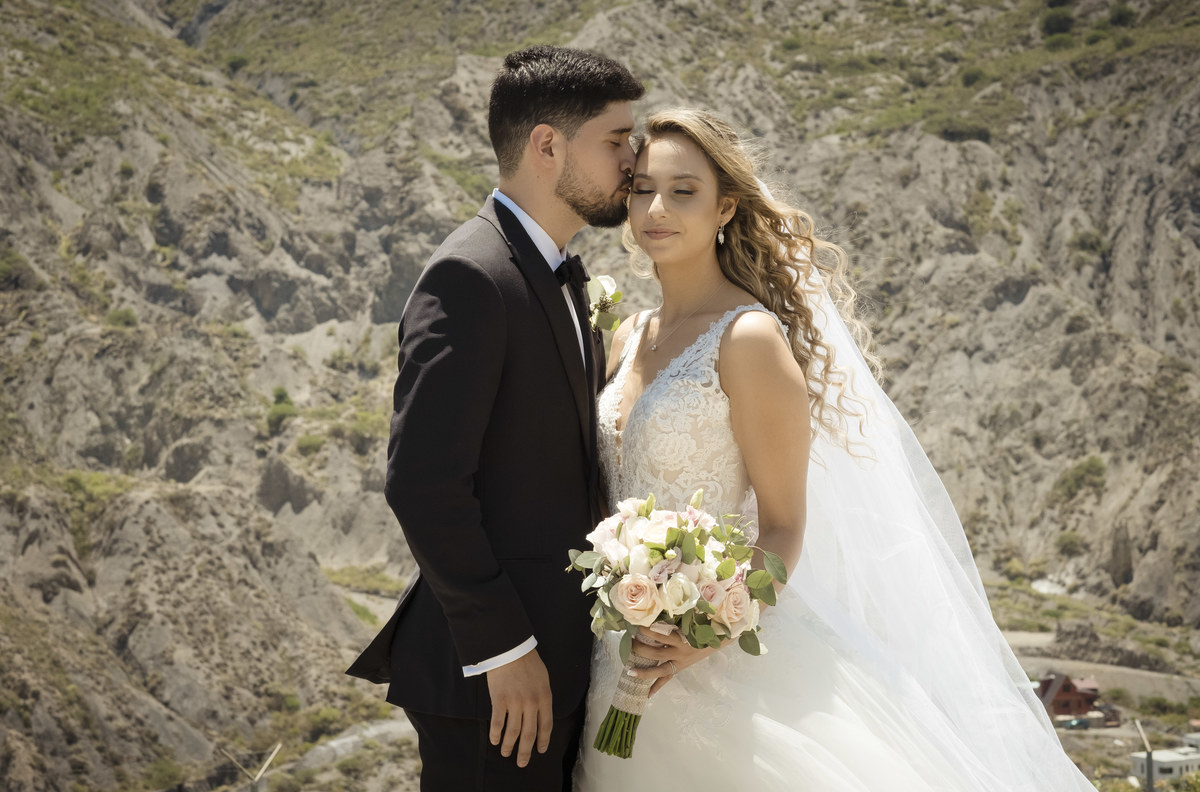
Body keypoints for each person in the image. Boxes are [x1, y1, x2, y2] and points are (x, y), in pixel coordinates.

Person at [573, 109, 1094, 790]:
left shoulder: (748, 339)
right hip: (619, 660)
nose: (657, 209)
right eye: (642, 189)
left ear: (726, 206)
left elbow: (785, 525)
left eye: (684, 190)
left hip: (723, 669)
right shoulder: (625, 335)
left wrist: (709, 631)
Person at [346, 45, 643, 791]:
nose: (634, 162)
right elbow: (422, 483)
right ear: (548, 145)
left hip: (562, 666)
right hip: (497, 691)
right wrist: (505, 650)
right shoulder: (472, 275)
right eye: (616, 140)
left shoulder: (555, 270)